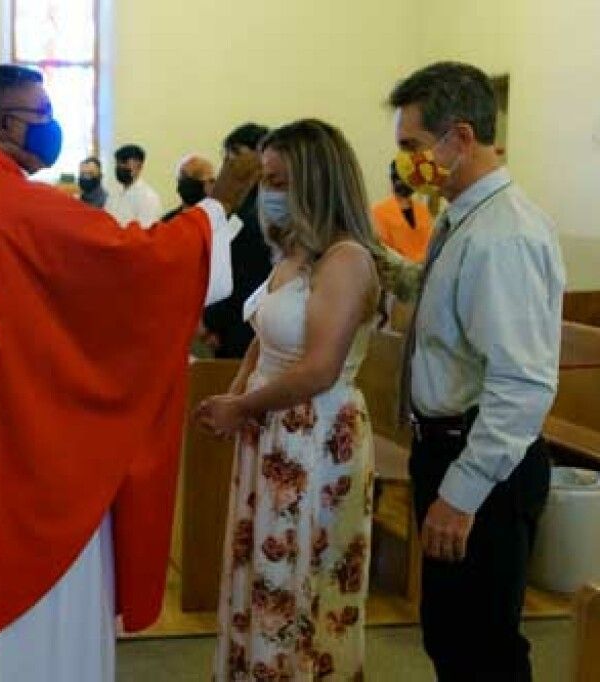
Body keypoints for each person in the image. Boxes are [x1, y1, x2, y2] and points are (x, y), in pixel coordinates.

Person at [0, 64, 259, 682]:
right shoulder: (26, 210)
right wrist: (221, 203)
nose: (52, 126)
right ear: (3, 124)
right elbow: (142, 268)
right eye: (42, 113)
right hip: (18, 481)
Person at [388, 61, 565, 681]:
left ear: (459, 139)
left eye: (412, 145)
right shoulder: (462, 216)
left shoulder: (503, 236)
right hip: (449, 450)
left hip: (481, 464)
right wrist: (383, 265)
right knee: (452, 638)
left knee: (483, 650)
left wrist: (461, 495)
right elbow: (448, 309)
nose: (407, 162)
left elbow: (521, 385)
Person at [195, 119, 381, 680]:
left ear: (316, 180)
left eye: (278, 180)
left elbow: (320, 368)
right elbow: (263, 334)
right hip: (273, 428)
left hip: (313, 435)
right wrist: (237, 389)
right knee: (261, 572)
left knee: (303, 578)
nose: (267, 194)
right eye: (266, 181)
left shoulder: (346, 260)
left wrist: (244, 407)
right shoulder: (294, 253)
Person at [199, 123, 275, 359]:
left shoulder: (264, 208)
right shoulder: (238, 205)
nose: (229, 162)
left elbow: (243, 273)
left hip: (247, 324)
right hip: (230, 322)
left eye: (236, 153)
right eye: (226, 154)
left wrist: (213, 321)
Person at [371, 160, 433, 261]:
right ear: (394, 179)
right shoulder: (378, 212)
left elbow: (431, 244)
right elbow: (383, 251)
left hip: (427, 270)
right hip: (398, 272)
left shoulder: (423, 211)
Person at [105, 143, 163, 227]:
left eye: (125, 162)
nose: (120, 166)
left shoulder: (149, 198)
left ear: (139, 166)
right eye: (118, 162)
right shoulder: (113, 193)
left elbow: (145, 234)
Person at [161, 154, 216, 222]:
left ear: (211, 184)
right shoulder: (168, 221)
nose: (186, 182)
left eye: (197, 176)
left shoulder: (216, 221)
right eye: (183, 176)